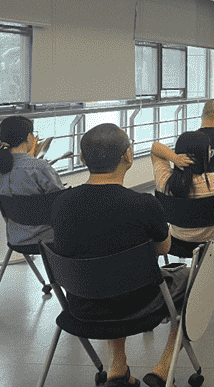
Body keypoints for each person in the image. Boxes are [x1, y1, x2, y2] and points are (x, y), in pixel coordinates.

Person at [50, 124, 190, 387]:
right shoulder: (145, 205)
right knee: (192, 277)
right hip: (138, 307)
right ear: (128, 155)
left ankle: (118, 367)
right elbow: (163, 249)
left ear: (82, 159)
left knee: (107, 279)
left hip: (82, 307)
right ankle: (164, 368)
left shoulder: (61, 204)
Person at [151, 134, 214, 297]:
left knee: (195, 231)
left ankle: (213, 264)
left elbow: (155, 148)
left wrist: (174, 158)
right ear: (205, 156)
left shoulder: (165, 181)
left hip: (179, 241)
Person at [0, 116, 64, 247]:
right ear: (29, 137)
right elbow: (62, 202)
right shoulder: (39, 167)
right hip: (48, 238)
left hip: (16, 239)